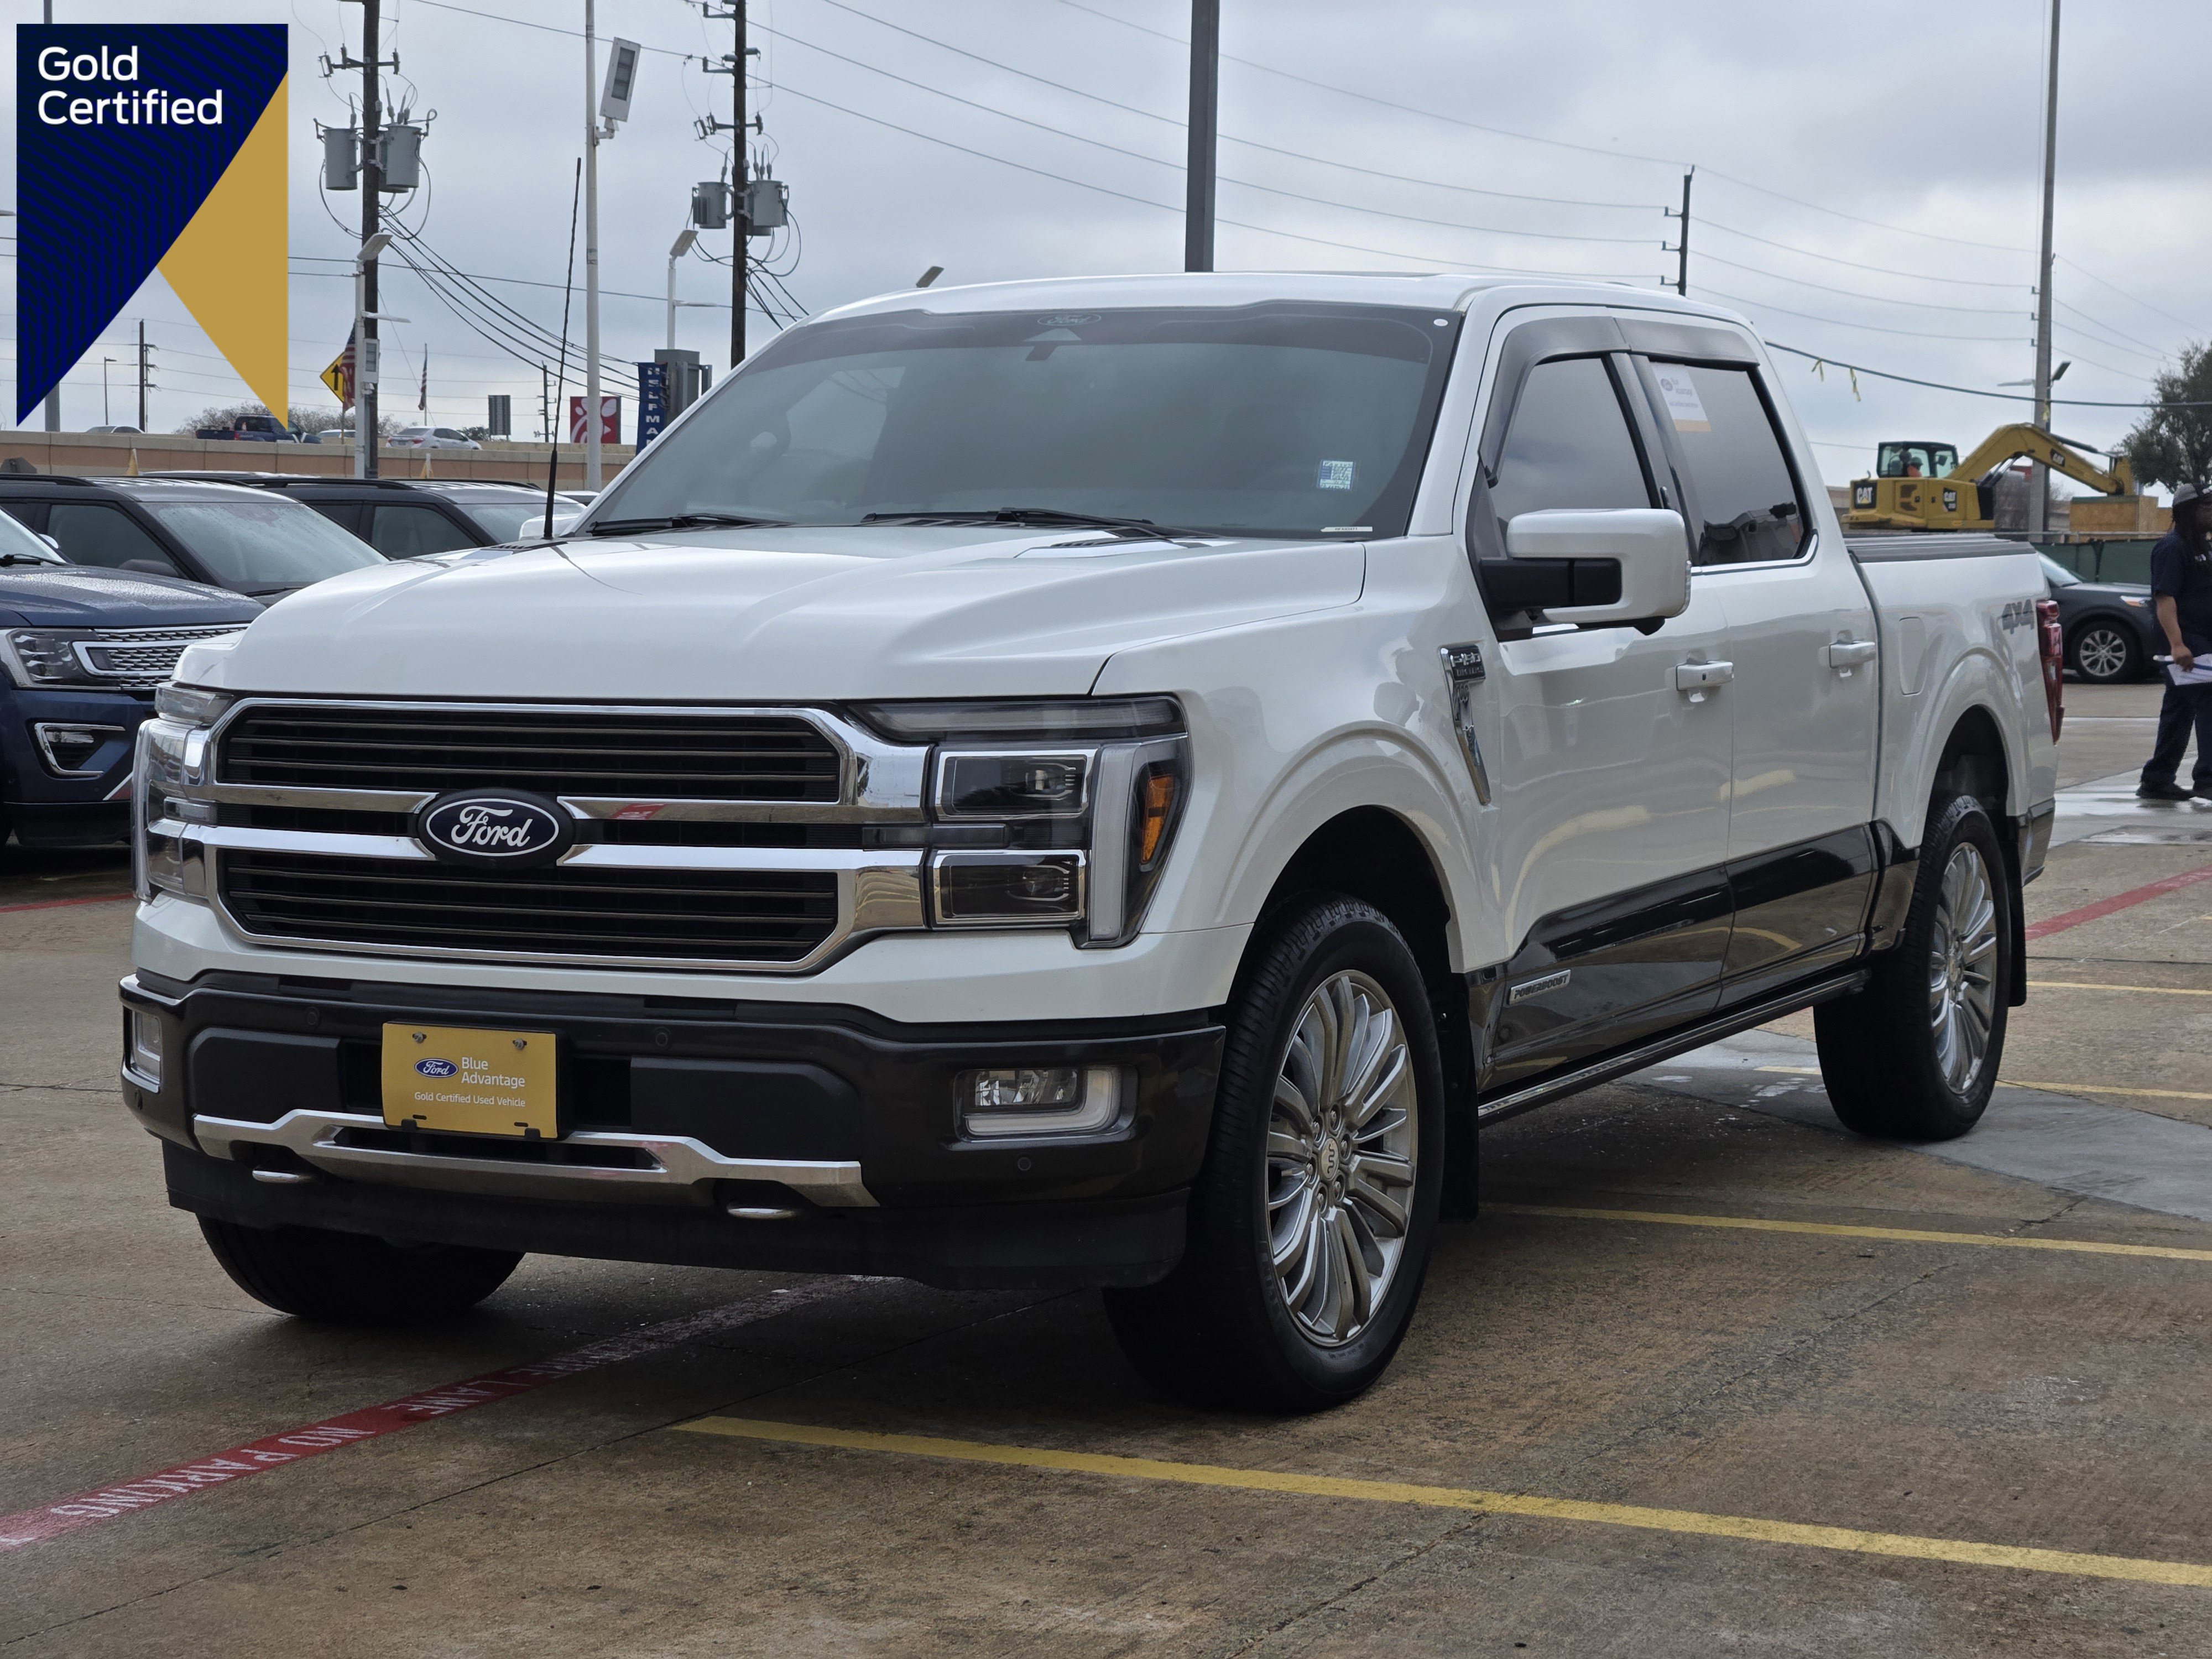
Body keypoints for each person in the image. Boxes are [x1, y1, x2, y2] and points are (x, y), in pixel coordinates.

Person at [2138, 482, 2212, 800]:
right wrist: (2177, 644)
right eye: (2208, 507)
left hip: (2199, 639)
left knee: (2179, 709)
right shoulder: (2172, 548)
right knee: (2209, 703)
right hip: (2186, 641)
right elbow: (2165, 599)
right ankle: (2208, 780)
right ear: (2190, 510)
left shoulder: (2200, 547)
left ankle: (2157, 780)